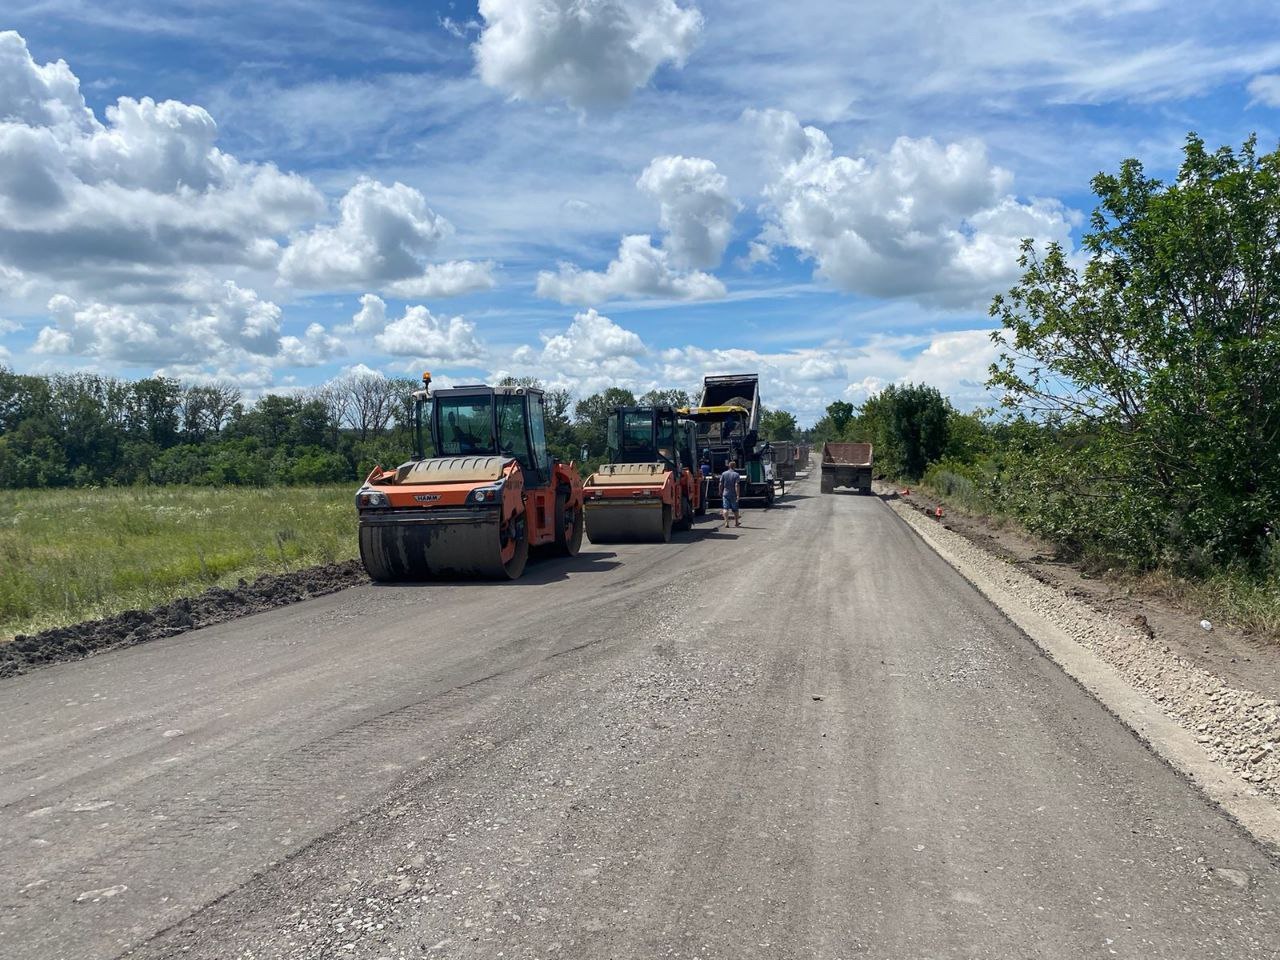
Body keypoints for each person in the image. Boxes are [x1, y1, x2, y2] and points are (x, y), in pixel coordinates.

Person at [720, 460, 742, 529]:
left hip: (725, 493)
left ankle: (726, 522)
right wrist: (738, 495)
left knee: (725, 508)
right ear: (734, 466)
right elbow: (736, 485)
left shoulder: (724, 474)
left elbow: (720, 484)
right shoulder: (736, 474)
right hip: (733, 494)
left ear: (729, 466)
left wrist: (720, 491)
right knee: (735, 509)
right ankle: (736, 522)